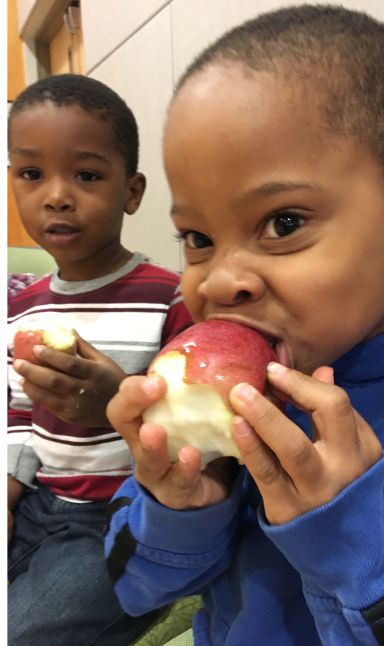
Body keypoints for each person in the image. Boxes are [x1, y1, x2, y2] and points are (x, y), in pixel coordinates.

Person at [104, 6, 384, 645]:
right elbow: (136, 586)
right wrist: (178, 505)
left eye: (283, 223)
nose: (221, 279)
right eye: (197, 238)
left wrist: (352, 541)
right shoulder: (211, 400)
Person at [7, 73, 192, 645]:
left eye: (86, 175)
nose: (56, 195)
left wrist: (118, 401)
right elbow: (17, 417)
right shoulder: (23, 308)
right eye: (31, 174)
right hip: (42, 502)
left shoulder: (170, 297)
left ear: (131, 192)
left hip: (120, 515)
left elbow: (196, 436)